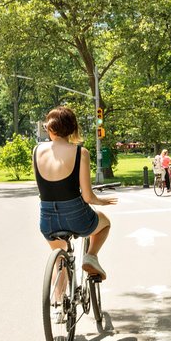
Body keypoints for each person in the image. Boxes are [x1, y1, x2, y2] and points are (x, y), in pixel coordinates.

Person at [33, 106, 117, 280]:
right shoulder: (80, 152)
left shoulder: (37, 151)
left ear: (50, 127)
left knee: (59, 263)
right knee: (105, 223)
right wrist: (101, 201)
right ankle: (91, 256)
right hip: (76, 217)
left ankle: (57, 304)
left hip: (47, 219)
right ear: (72, 128)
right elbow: (87, 197)